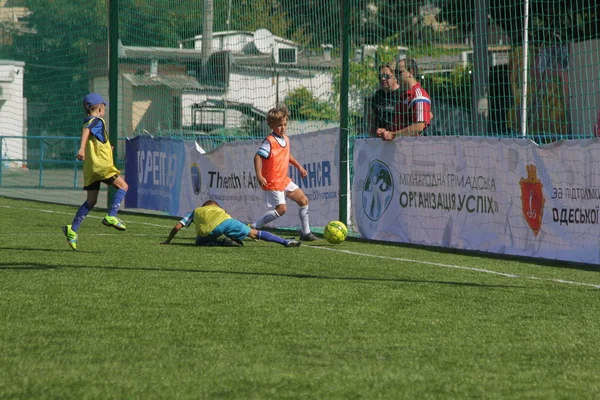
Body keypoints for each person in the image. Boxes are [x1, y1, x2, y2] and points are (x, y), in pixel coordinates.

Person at [62, 93, 129, 250]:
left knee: (91, 201)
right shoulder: (97, 120)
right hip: (102, 166)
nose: (104, 109)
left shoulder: (90, 121)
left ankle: (73, 229)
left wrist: (107, 147)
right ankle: (111, 216)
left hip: (91, 169)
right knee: (123, 186)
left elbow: (94, 140)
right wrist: (81, 147)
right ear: (100, 107)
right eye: (104, 106)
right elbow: (87, 130)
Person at [250, 106, 319, 241]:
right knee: (281, 209)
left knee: (303, 200)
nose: (283, 128)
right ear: (271, 125)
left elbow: (287, 155)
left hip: (283, 179)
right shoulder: (269, 141)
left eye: (285, 124)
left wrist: (298, 166)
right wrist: (259, 175)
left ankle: (306, 233)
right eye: (279, 125)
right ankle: (254, 227)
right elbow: (257, 157)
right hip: (273, 181)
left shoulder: (286, 139)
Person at [161, 200, 301, 247]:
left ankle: (223, 242)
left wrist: (168, 241)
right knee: (256, 233)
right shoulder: (221, 211)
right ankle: (284, 242)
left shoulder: (196, 211)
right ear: (217, 206)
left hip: (210, 231)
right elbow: (231, 223)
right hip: (227, 222)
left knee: (199, 241)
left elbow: (177, 226)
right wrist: (250, 235)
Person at [367, 58, 432, 140]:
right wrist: (386, 131)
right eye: (380, 76)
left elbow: (419, 126)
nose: (396, 76)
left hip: (411, 148)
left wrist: (393, 135)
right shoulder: (404, 95)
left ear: (411, 73)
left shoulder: (418, 95)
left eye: (399, 72)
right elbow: (400, 124)